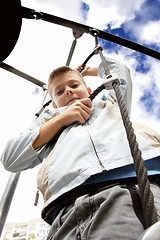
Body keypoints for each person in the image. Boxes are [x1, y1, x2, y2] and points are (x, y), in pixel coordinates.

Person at [1, 56, 160, 240]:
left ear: (88, 89)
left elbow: (119, 71)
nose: (68, 91)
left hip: (130, 186)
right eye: (59, 92)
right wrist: (60, 119)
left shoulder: (110, 105)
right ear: (54, 104)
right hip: (64, 209)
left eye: (74, 85)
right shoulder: (47, 125)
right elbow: (10, 159)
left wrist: (87, 71)